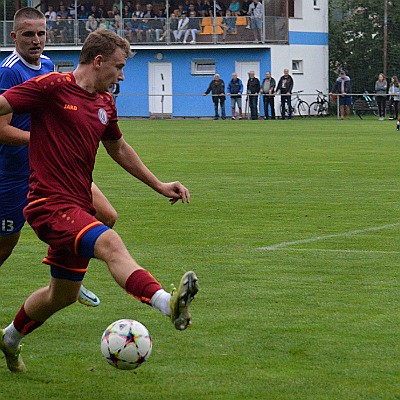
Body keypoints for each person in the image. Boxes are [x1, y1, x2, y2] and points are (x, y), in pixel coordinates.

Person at [0, 28, 199, 373]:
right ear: (98, 61)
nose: (121, 75)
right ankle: (169, 305)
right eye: (119, 67)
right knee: (110, 243)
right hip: (48, 205)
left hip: (77, 205)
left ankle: (10, 338)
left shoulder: (105, 102)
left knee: (60, 295)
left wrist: (159, 184)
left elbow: (118, 147)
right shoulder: (52, 87)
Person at [0, 7, 106, 308]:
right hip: (13, 173)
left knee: (106, 215)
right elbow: (1, 130)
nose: (36, 40)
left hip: (55, 170)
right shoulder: (9, 70)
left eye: (41, 33)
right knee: (5, 247)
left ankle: (70, 278)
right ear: (14, 36)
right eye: (28, 34)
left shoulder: (47, 64)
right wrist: (46, 140)